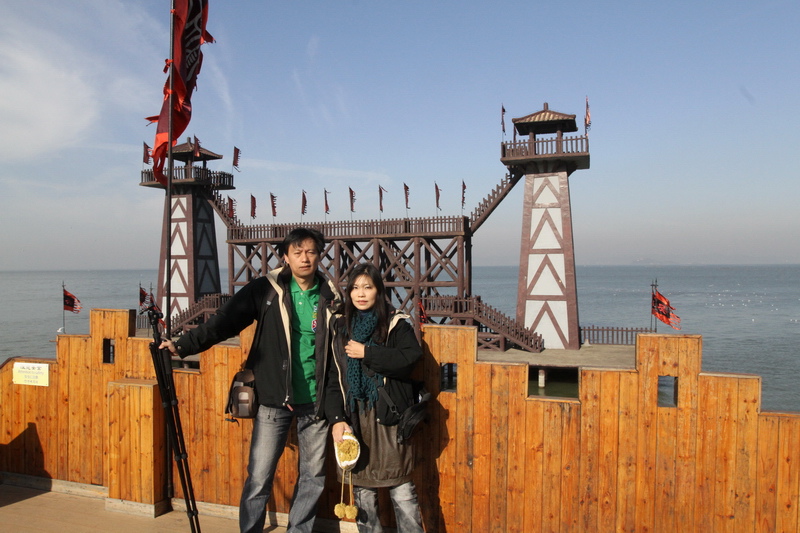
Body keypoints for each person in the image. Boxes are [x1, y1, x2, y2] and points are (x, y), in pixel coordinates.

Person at [160, 227, 340, 533]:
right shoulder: (265, 289)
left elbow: (338, 355)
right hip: (272, 400)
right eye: (297, 252)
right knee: (259, 476)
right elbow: (225, 321)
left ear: (319, 256)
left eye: (311, 252)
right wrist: (183, 345)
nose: (305, 258)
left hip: (316, 400)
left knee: (313, 477)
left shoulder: (331, 296)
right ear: (285, 257)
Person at [325, 263, 425, 532]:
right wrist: (336, 419)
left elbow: (410, 358)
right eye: (355, 288)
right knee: (363, 495)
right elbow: (333, 378)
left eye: (368, 287)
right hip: (354, 419)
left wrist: (368, 353)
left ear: (378, 291)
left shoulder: (395, 323)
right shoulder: (340, 326)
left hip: (388, 419)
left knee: (402, 491)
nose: (361, 294)